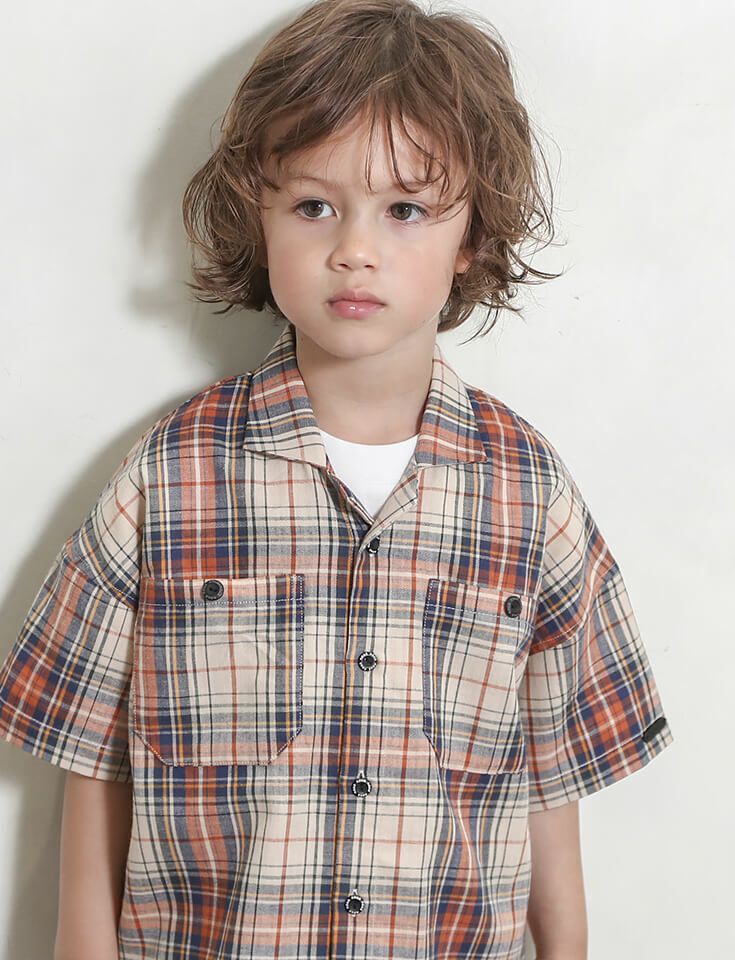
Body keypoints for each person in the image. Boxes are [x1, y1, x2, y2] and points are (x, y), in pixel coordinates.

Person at [0, 1, 674, 958]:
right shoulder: (172, 476)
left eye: (405, 210)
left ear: (471, 237)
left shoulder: (530, 494)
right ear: (260, 214)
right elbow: (90, 754)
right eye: (315, 206)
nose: (356, 249)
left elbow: (549, 774)